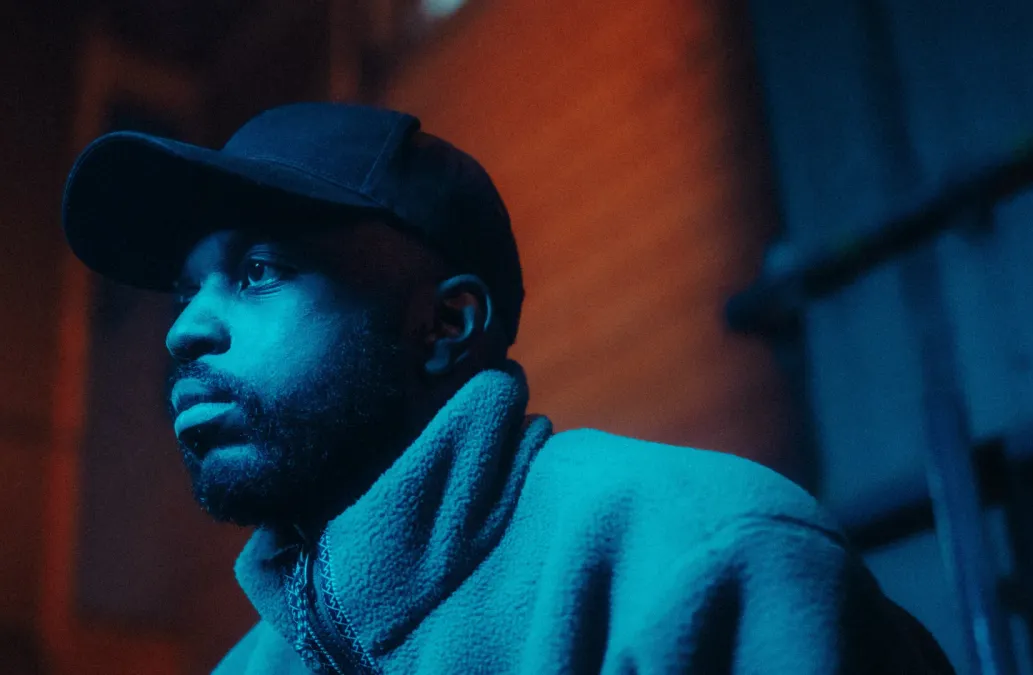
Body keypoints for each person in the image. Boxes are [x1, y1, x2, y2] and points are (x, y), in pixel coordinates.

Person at [61, 102, 954, 674]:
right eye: (187, 291)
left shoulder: (698, 559)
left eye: (259, 270)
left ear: (446, 324)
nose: (184, 330)